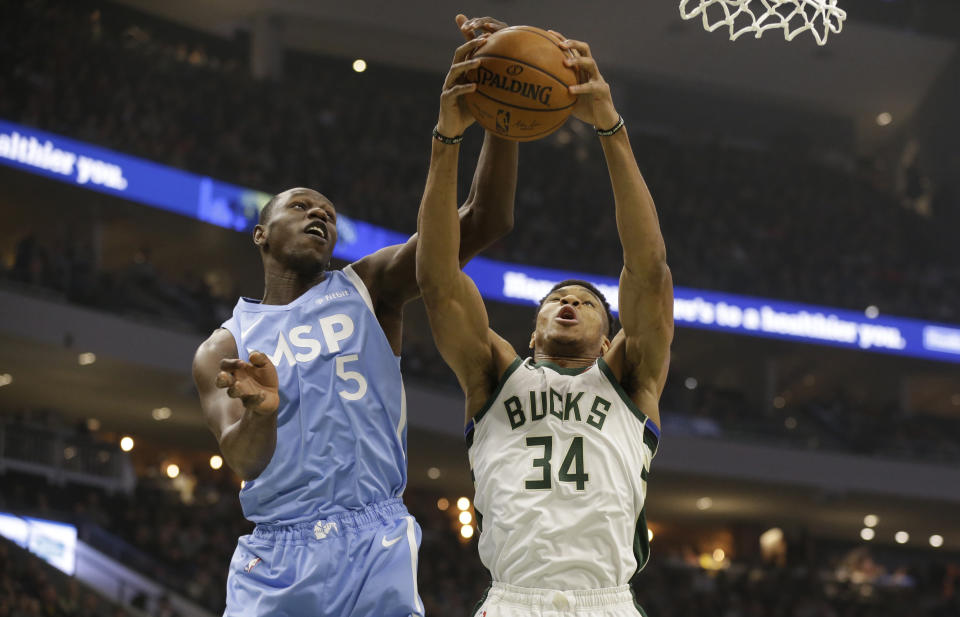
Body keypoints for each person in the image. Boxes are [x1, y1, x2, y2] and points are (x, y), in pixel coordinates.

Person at [191, 16, 516, 617]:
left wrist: (503, 117)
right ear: (261, 234)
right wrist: (263, 413)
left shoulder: (369, 288)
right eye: (301, 206)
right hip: (276, 557)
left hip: (376, 541)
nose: (320, 215)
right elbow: (242, 460)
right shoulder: (224, 347)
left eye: (329, 213)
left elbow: (484, 219)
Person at [415, 32, 673, 617]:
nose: (569, 303)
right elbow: (436, 280)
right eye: (556, 298)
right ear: (531, 333)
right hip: (513, 601)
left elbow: (650, 272)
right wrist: (448, 136)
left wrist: (609, 125)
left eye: (586, 301)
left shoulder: (631, 380)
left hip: (607, 601)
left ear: (609, 338)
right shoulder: (493, 376)